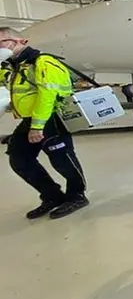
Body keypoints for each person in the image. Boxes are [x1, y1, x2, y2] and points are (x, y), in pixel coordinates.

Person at [0, 27, 89, 220]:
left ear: (20, 41)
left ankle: (77, 195)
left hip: (51, 118)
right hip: (30, 119)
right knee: (18, 158)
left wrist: (37, 126)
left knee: (62, 159)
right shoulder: (11, 66)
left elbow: (47, 94)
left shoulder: (43, 62)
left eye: (1, 43)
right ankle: (52, 196)